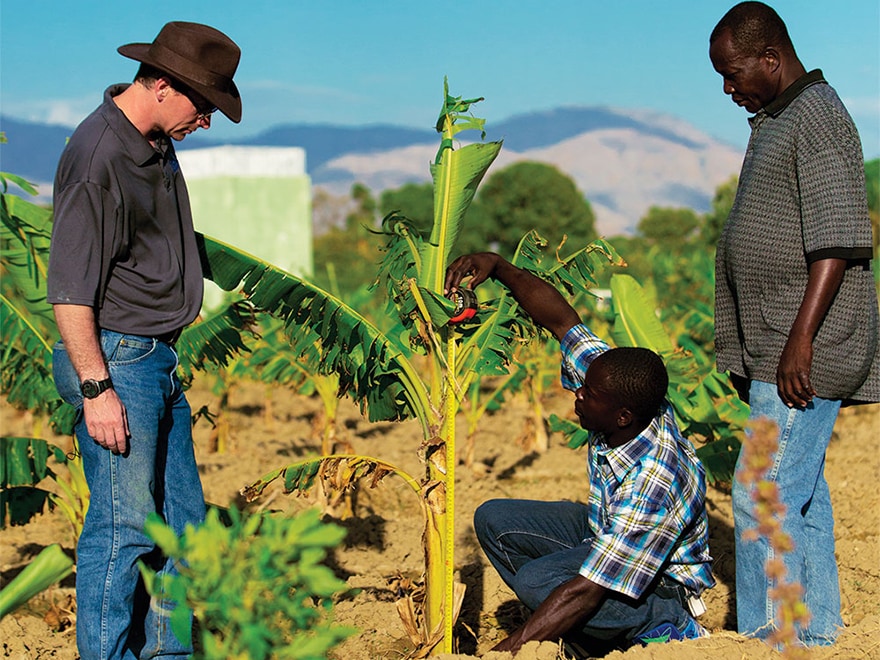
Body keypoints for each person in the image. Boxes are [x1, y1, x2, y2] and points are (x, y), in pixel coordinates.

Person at [47, 22, 243, 659]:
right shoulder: (98, 157)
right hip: (116, 360)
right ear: (162, 85)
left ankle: (171, 652)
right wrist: (98, 387)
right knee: (122, 527)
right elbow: (71, 290)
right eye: (203, 105)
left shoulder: (153, 143)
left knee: (183, 531)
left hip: (157, 359)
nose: (206, 120)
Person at [709, 1, 880, 646]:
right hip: (781, 344)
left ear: (771, 60)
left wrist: (797, 341)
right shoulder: (779, 118)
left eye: (733, 74)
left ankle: (768, 637)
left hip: (807, 345)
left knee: (761, 490)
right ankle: (816, 631)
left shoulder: (819, 117)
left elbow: (837, 240)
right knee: (799, 495)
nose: (729, 89)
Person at [444, 253, 715, 655]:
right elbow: (561, 321)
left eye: (588, 394)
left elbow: (588, 587)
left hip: (661, 581)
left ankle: (666, 623)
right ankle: (589, 636)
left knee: (538, 583)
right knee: (494, 519)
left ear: (623, 416)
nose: (577, 393)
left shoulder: (655, 477)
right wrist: (500, 267)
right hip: (604, 530)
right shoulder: (618, 389)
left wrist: (510, 650)